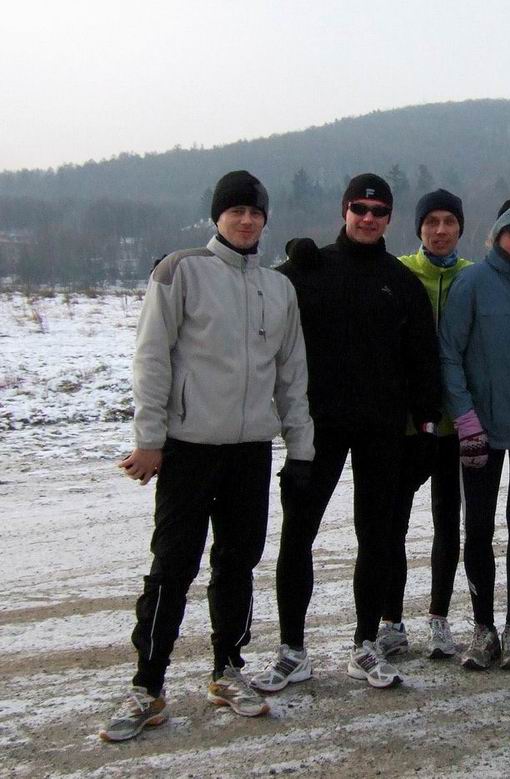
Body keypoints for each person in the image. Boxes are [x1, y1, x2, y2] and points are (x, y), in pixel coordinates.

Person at [100, 170, 314, 742]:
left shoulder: (278, 289)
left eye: (255, 212)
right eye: (235, 210)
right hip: (189, 448)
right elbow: (152, 357)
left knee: (238, 564)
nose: (246, 220)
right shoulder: (181, 270)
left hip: (249, 452)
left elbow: (291, 375)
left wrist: (301, 447)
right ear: (217, 216)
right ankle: (148, 685)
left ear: (265, 220)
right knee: (172, 567)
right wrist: (150, 438)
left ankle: (228, 669)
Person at [252, 174, 440, 690]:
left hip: (382, 429)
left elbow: (423, 361)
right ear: (344, 210)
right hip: (317, 428)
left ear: (390, 219)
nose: (368, 218)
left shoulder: (401, 282)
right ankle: (292, 650)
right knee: (299, 533)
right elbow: (252, 291)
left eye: (379, 211)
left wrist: (426, 430)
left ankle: (365, 644)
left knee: (376, 536)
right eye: (360, 208)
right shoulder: (309, 268)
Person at [438, 200, 510, 671]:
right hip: (479, 430)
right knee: (478, 527)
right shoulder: (472, 282)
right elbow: (448, 354)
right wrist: (465, 419)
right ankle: (483, 629)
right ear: (498, 235)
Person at [377, 189, 473, 660]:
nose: (440, 230)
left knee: (447, 523)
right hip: (407, 425)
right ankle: (391, 621)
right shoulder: (398, 272)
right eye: (431, 221)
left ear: (460, 228)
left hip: (454, 424)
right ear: (418, 228)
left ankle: (439, 618)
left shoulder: (472, 276)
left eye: (449, 222)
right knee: (393, 524)